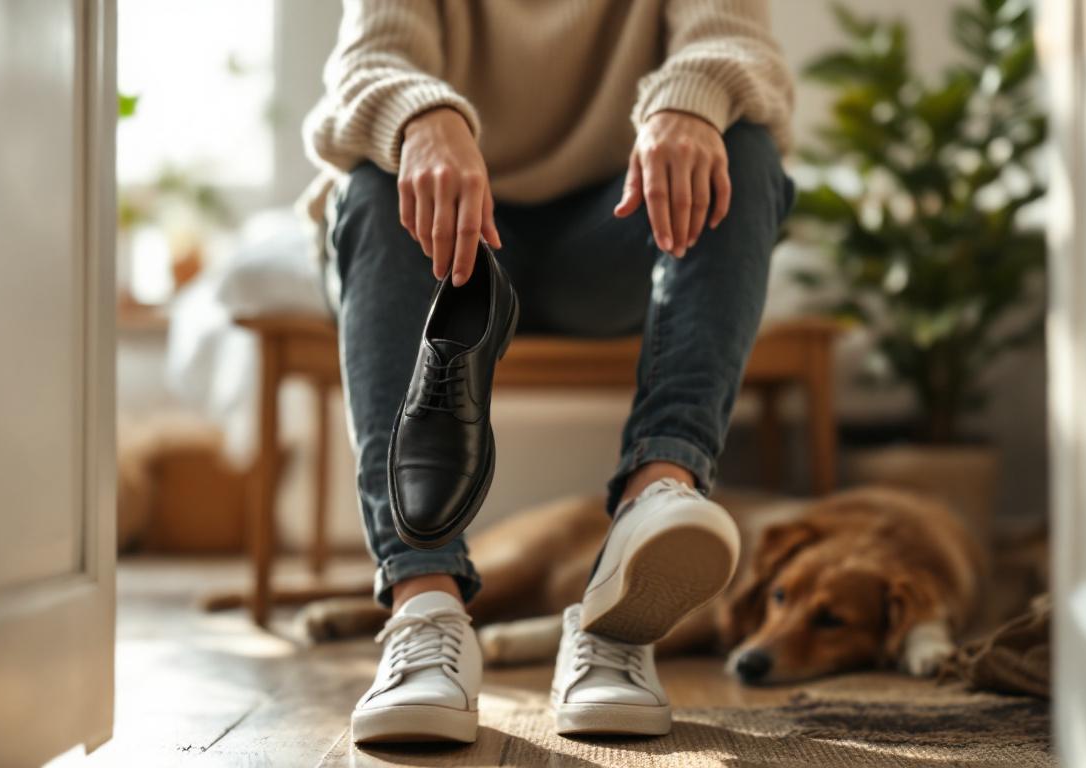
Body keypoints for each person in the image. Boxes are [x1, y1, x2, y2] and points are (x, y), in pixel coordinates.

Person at [303, 0, 795, 743]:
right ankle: (424, 607)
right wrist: (421, 115)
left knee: (746, 146)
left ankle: (648, 517)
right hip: (442, 235)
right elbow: (364, 66)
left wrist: (688, 104)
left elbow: (735, 43)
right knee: (370, 184)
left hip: (613, 230)